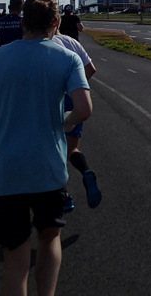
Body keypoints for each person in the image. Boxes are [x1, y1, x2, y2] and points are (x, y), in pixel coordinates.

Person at [0, 0, 92, 296]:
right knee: (49, 238)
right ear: (56, 22)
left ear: (22, 21)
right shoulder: (67, 58)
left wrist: (2, 112)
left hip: (5, 172)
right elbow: (84, 110)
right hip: (48, 169)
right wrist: (61, 121)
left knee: (15, 259)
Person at [52, 32, 102, 209]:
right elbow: (91, 69)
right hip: (72, 97)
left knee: (52, 148)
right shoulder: (71, 42)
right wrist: (76, 86)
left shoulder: (37, 43)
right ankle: (85, 171)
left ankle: (62, 193)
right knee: (72, 147)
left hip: (51, 98)